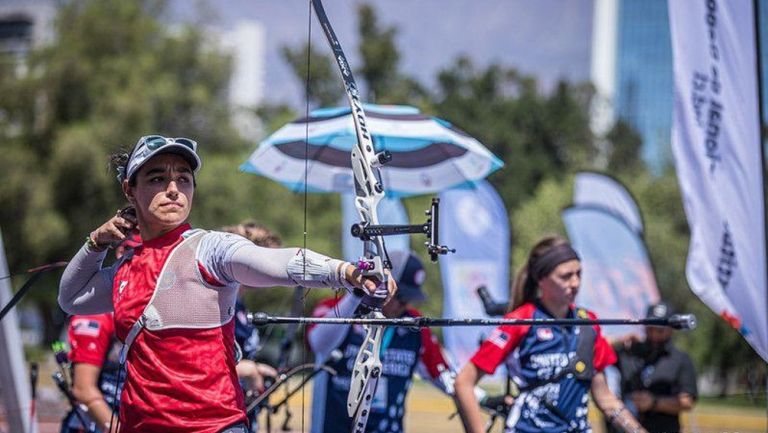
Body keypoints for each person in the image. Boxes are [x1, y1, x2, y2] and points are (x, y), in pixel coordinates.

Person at [58, 134, 395, 433]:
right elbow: (71, 298)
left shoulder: (210, 248)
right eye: (157, 179)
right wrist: (95, 244)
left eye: (184, 179)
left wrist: (346, 271)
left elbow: (276, 262)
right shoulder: (126, 269)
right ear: (130, 190)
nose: (173, 190)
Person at [454, 236, 648, 433]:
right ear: (541, 280)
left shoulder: (588, 323)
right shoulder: (521, 321)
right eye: (565, 276)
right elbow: (464, 382)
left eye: (579, 274)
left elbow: (605, 398)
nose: (575, 282)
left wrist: (638, 431)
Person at [308, 250, 454, 433]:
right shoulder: (334, 308)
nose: (404, 305)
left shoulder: (414, 324)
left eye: (408, 300)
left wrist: (481, 398)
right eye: (399, 297)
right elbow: (318, 343)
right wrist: (357, 294)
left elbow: (446, 378)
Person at [59, 234, 140, 433]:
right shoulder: (97, 315)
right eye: (138, 251)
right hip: (97, 423)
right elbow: (83, 389)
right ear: (122, 252)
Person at [220, 221, 282, 432]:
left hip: (239, 410)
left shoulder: (239, 304)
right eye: (267, 262)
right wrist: (249, 370)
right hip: (219, 414)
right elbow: (202, 361)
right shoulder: (220, 302)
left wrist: (257, 369)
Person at [612, 302, 697, 433]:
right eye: (650, 328)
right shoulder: (630, 350)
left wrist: (654, 402)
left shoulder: (680, 359)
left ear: (671, 329)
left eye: (660, 330)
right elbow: (595, 349)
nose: (654, 334)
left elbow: (687, 401)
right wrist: (620, 340)